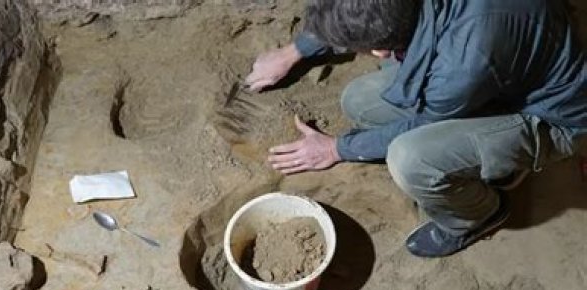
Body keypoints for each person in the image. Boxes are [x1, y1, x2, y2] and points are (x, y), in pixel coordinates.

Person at [245, 0, 587, 258]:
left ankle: (479, 215)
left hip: (554, 118)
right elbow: (349, 9)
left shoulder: (459, 69)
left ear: (379, 49)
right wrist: (292, 53)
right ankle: (482, 157)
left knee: (410, 158)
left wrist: (334, 149)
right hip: (511, 61)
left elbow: (423, 123)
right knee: (359, 101)